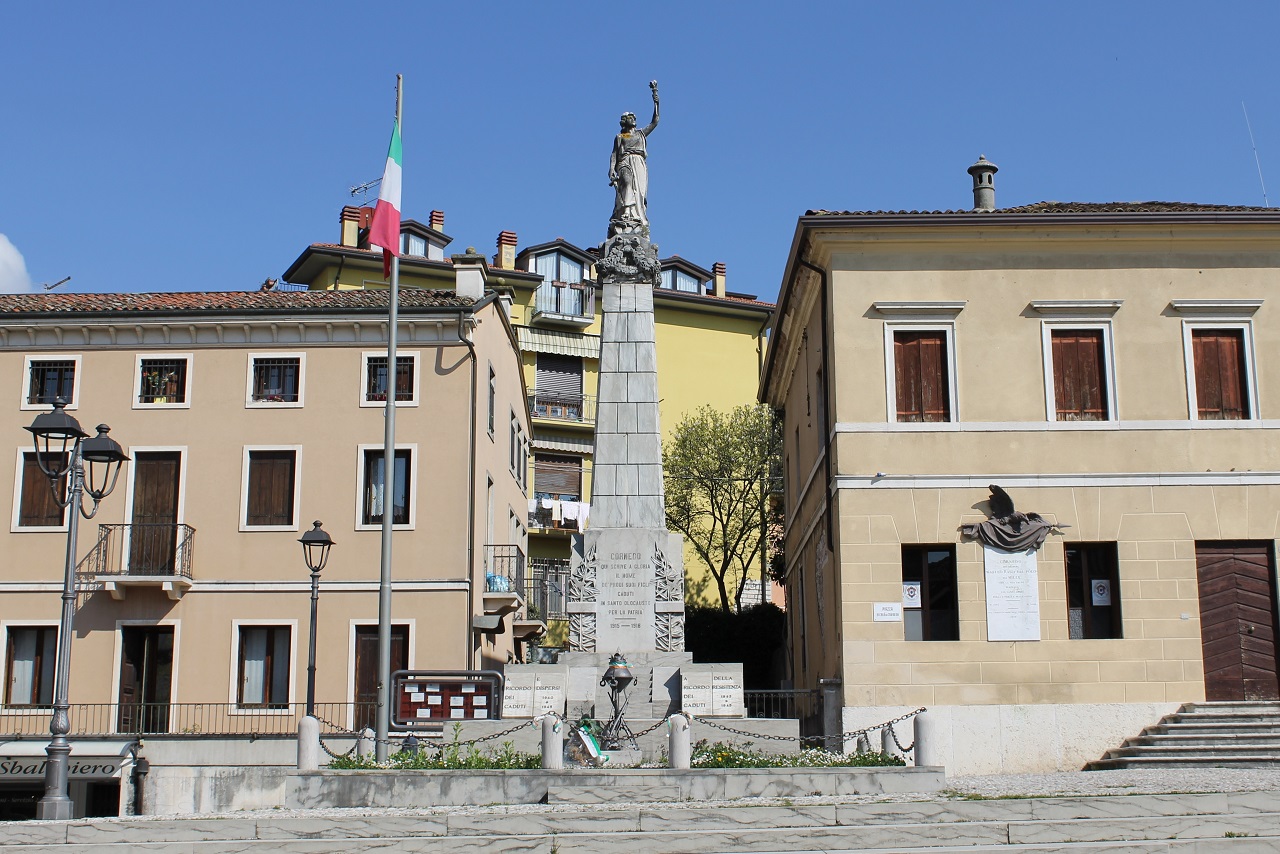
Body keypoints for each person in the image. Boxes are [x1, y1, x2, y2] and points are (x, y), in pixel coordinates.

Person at [609, 81, 660, 234]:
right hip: (625, 162)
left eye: (633, 116)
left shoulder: (640, 133)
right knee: (627, 183)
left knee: (640, 192)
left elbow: (655, 121)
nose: (633, 118)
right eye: (630, 116)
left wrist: (655, 98)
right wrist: (611, 169)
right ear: (625, 121)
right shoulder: (620, 136)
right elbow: (614, 154)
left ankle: (635, 216)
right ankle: (625, 213)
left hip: (639, 163)